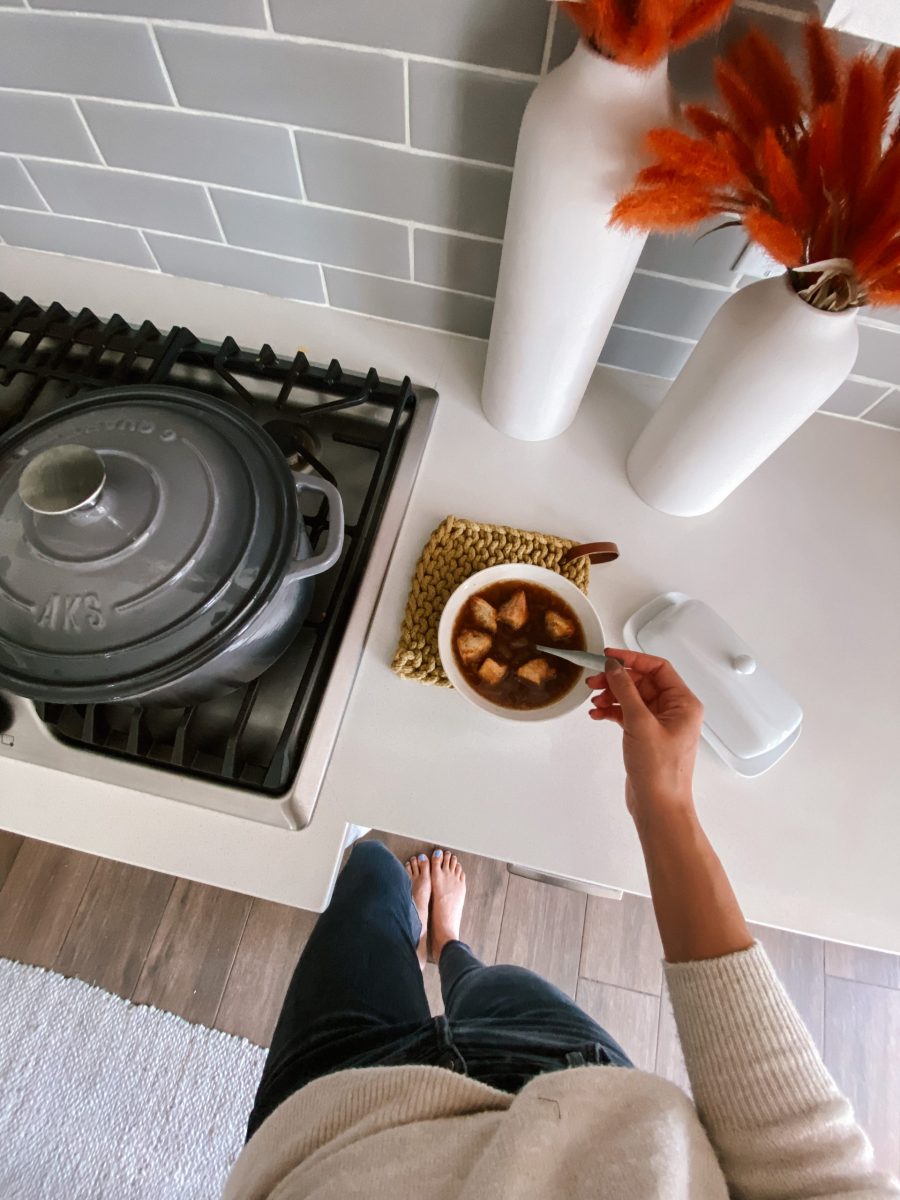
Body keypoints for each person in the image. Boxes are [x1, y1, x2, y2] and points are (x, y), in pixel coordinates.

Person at [225, 649, 899, 1199]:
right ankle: (449, 944)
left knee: (371, 872)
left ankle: (435, 937)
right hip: (566, 1075)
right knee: (489, 981)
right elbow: (803, 1150)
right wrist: (661, 802)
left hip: (328, 1121)